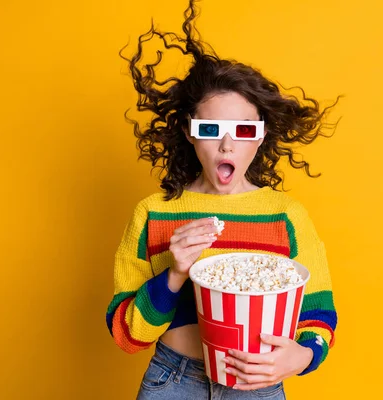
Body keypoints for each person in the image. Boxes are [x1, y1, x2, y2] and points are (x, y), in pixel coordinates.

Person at [106, 1, 339, 398]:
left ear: (261, 136)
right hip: (173, 381)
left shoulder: (285, 215)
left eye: (244, 130)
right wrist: (176, 273)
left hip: (257, 384)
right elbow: (128, 335)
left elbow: (318, 316)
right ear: (189, 131)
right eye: (212, 127)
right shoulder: (154, 213)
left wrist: (300, 356)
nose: (228, 143)